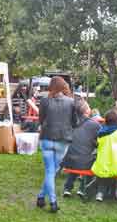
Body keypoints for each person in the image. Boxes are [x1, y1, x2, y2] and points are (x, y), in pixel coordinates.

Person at [36, 76, 77, 213]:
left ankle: (42, 197)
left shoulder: (45, 101)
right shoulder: (71, 102)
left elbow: (41, 120)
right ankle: (52, 201)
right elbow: (74, 122)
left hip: (46, 138)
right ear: (63, 86)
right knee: (52, 171)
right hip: (63, 140)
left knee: (50, 171)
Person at [62, 101, 101, 197]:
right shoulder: (95, 125)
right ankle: (82, 189)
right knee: (90, 158)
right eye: (88, 107)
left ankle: (67, 188)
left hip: (68, 160)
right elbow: (100, 142)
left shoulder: (71, 122)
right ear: (87, 111)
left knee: (78, 155)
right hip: (83, 161)